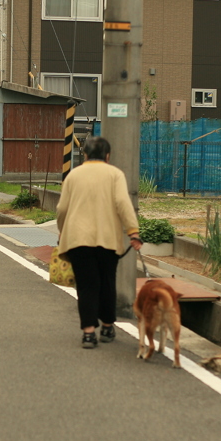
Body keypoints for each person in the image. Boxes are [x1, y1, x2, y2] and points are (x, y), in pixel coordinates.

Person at [56, 136, 143, 348]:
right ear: (107, 155)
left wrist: (63, 231)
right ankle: (106, 326)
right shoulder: (115, 174)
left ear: (84, 154)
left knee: (86, 286)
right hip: (107, 240)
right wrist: (133, 232)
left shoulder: (73, 175)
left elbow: (61, 209)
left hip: (78, 239)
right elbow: (123, 203)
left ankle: (88, 333)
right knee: (106, 283)